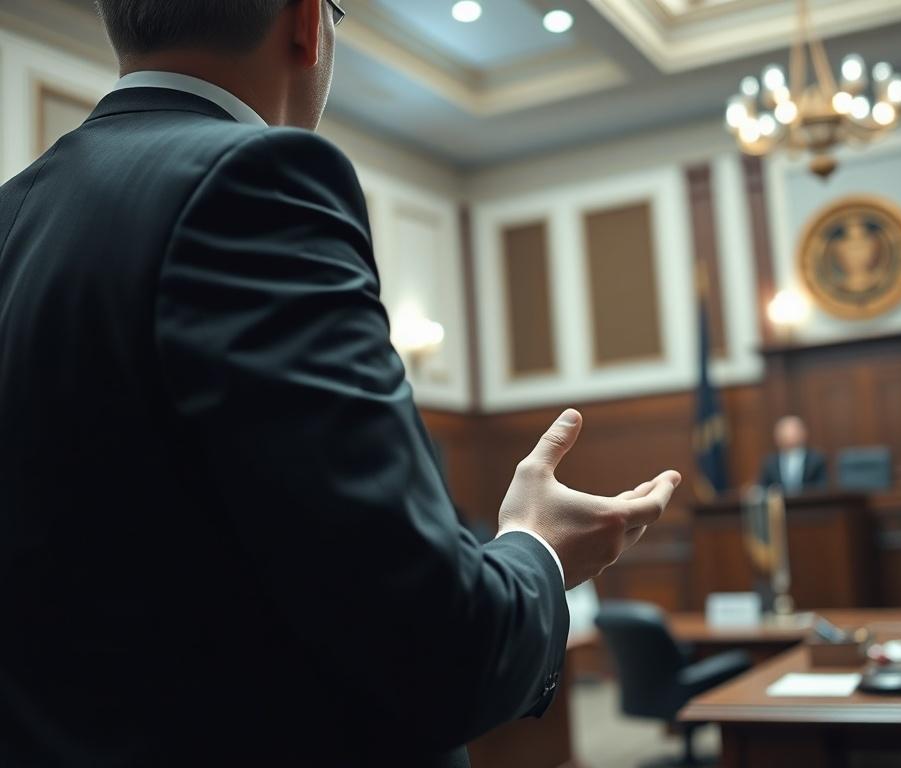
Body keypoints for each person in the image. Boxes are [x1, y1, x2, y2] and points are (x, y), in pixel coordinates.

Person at [0, 2, 682, 766]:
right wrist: (541, 550)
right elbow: (440, 651)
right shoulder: (253, 181)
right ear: (306, 23)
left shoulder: (12, 212)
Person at [758, 416, 828, 494]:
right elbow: (762, 488)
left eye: (792, 432)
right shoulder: (770, 462)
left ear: (803, 434)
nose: (788, 436)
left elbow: (822, 487)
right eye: (784, 432)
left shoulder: (816, 459)